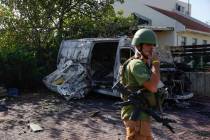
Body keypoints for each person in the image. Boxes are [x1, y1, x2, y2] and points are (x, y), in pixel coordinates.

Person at [120, 28, 160, 140]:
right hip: (136, 115)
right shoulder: (137, 64)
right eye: (148, 45)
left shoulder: (143, 64)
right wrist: (156, 63)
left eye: (153, 45)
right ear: (138, 46)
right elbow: (152, 87)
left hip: (141, 114)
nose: (152, 48)